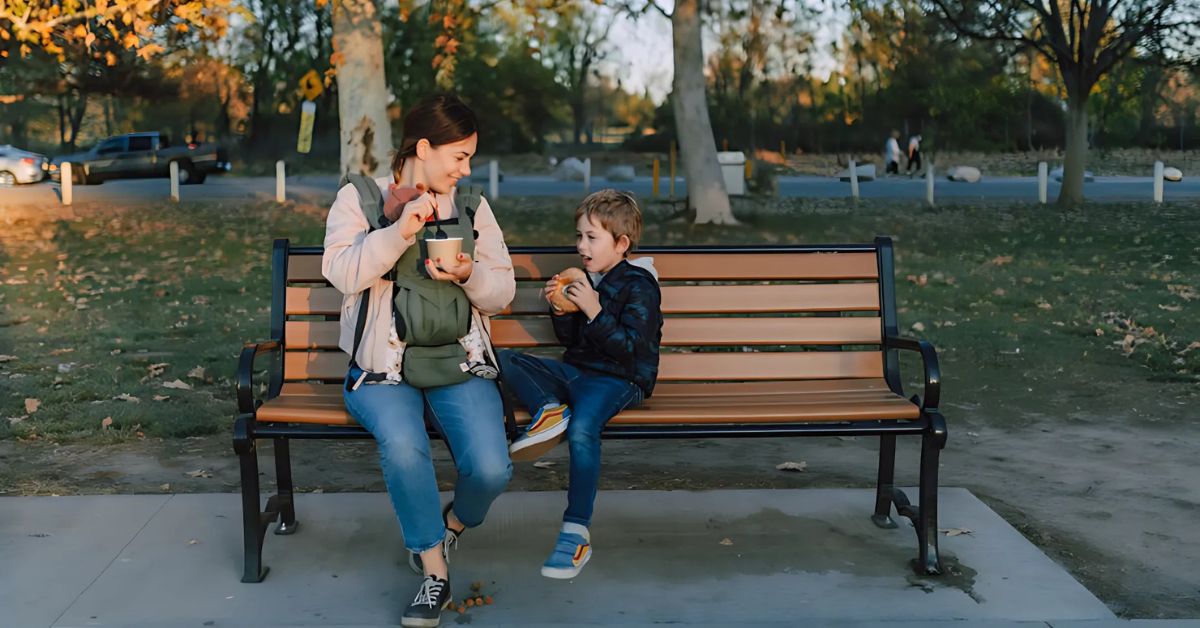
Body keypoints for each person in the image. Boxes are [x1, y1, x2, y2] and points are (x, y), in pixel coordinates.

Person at [322, 93, 515, 628]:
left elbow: (502, 294)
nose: (466, 168)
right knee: (404, 448)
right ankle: (434, 572)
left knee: (493, 469)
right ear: (424, 148)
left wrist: (467, 275)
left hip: (458, 361)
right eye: (459, 156)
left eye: (469, 158)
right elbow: (341, 273)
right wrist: (399, 231)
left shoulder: (472, 207)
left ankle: (449, 525)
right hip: (383, 370)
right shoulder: (360, 199)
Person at [498, 189, 663, 579]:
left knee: (585, 427)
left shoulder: (640, 285)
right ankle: (549, 410)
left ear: (621, 244)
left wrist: (593, 308)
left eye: (592, 237)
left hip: (620, 379)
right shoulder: (585, 280)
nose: (581, 246)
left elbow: (629, 351)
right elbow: (573, 343)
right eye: (579, 236)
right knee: (505, 360)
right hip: (579, 371)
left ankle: (575, 531)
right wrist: (562, 310)